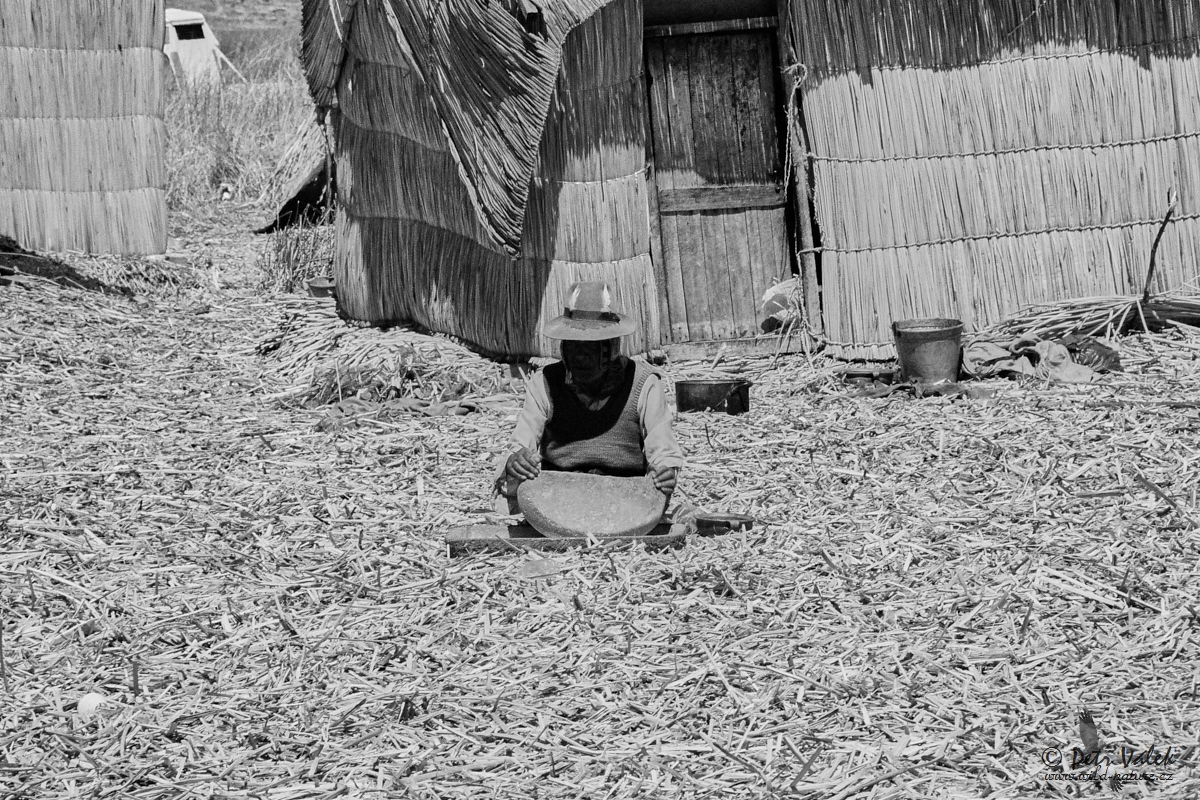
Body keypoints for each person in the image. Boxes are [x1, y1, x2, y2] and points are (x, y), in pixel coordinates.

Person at [495, 281, 684, 512]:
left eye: (592, 347)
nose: (580, 357)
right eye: (574, 345)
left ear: (612, 347)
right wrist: (517, 461)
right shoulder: (544, 383)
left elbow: (663, 450)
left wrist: (664, 473)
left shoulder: (644, 383)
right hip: (558, 497)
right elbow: (520, 444)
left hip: (625, 499)